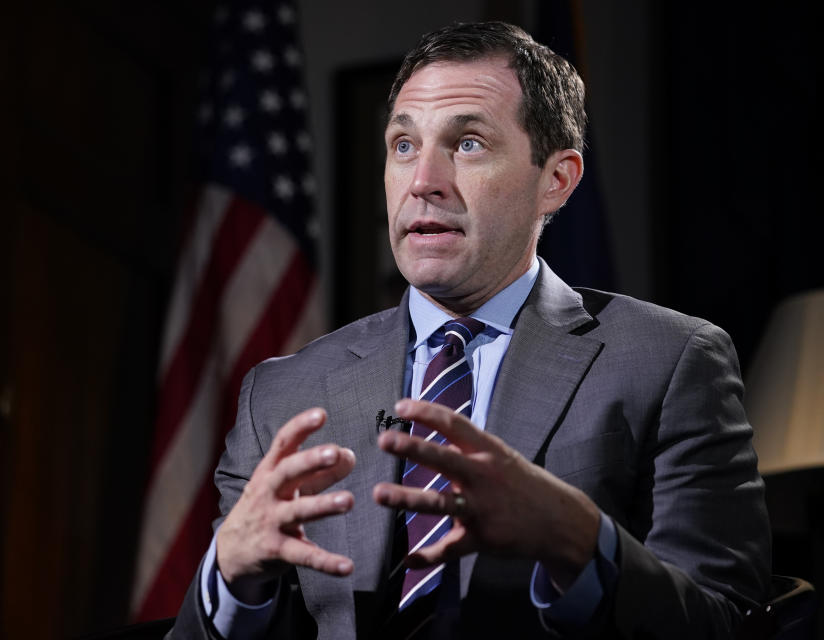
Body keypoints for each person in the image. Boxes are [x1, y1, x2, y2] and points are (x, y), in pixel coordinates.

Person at [167, 21, 770, 639]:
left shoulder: (670, 360)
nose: (423, 181)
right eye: (403, 145)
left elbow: (724, 621)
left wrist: (584, 546)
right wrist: (230, 580)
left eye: (469, 143)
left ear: (555, 180)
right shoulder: (283, 394)